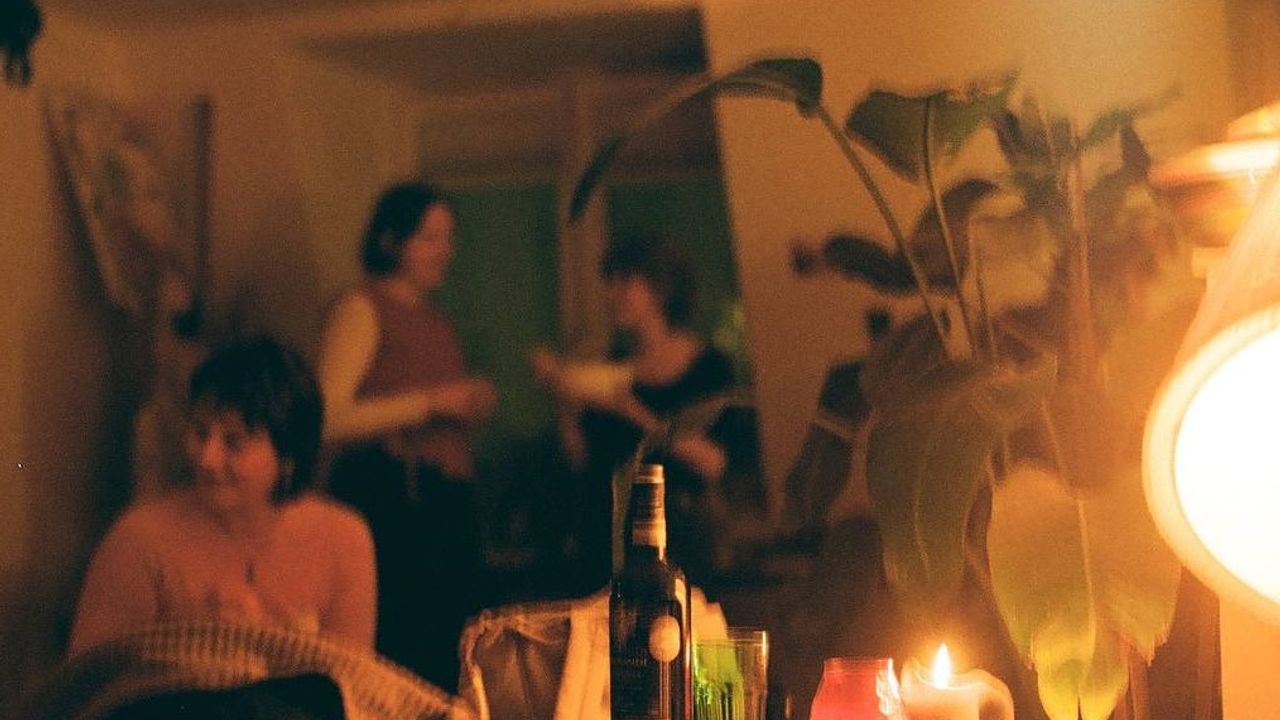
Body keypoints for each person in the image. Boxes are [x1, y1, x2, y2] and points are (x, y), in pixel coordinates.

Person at [69, 336, 376, 656]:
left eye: (234, 442)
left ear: (288, 456)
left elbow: (352, 684)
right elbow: (91, 685)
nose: (207, 458)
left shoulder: (343, 538)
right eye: (200, 432)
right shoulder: (140, 539)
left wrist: (269, 640)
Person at [315, 180, 496, 691]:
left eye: (448, 238)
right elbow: (327, 415)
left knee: (449, 653)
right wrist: (431, 403)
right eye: (430, 237)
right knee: (403, 651)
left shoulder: (436, 322)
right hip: (393, 501)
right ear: (392, 240)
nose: (445, 251)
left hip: (441, 504)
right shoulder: (361, 308)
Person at [533, 235, 759, 594]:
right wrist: (564, 397)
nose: (612, 293)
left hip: (679, 535)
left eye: (625, 281)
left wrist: (632, 410)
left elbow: (712, 462)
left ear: (661, 286)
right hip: (607, 537)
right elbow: (579, 458)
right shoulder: (611, 368)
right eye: (609, 281)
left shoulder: (708, 367)